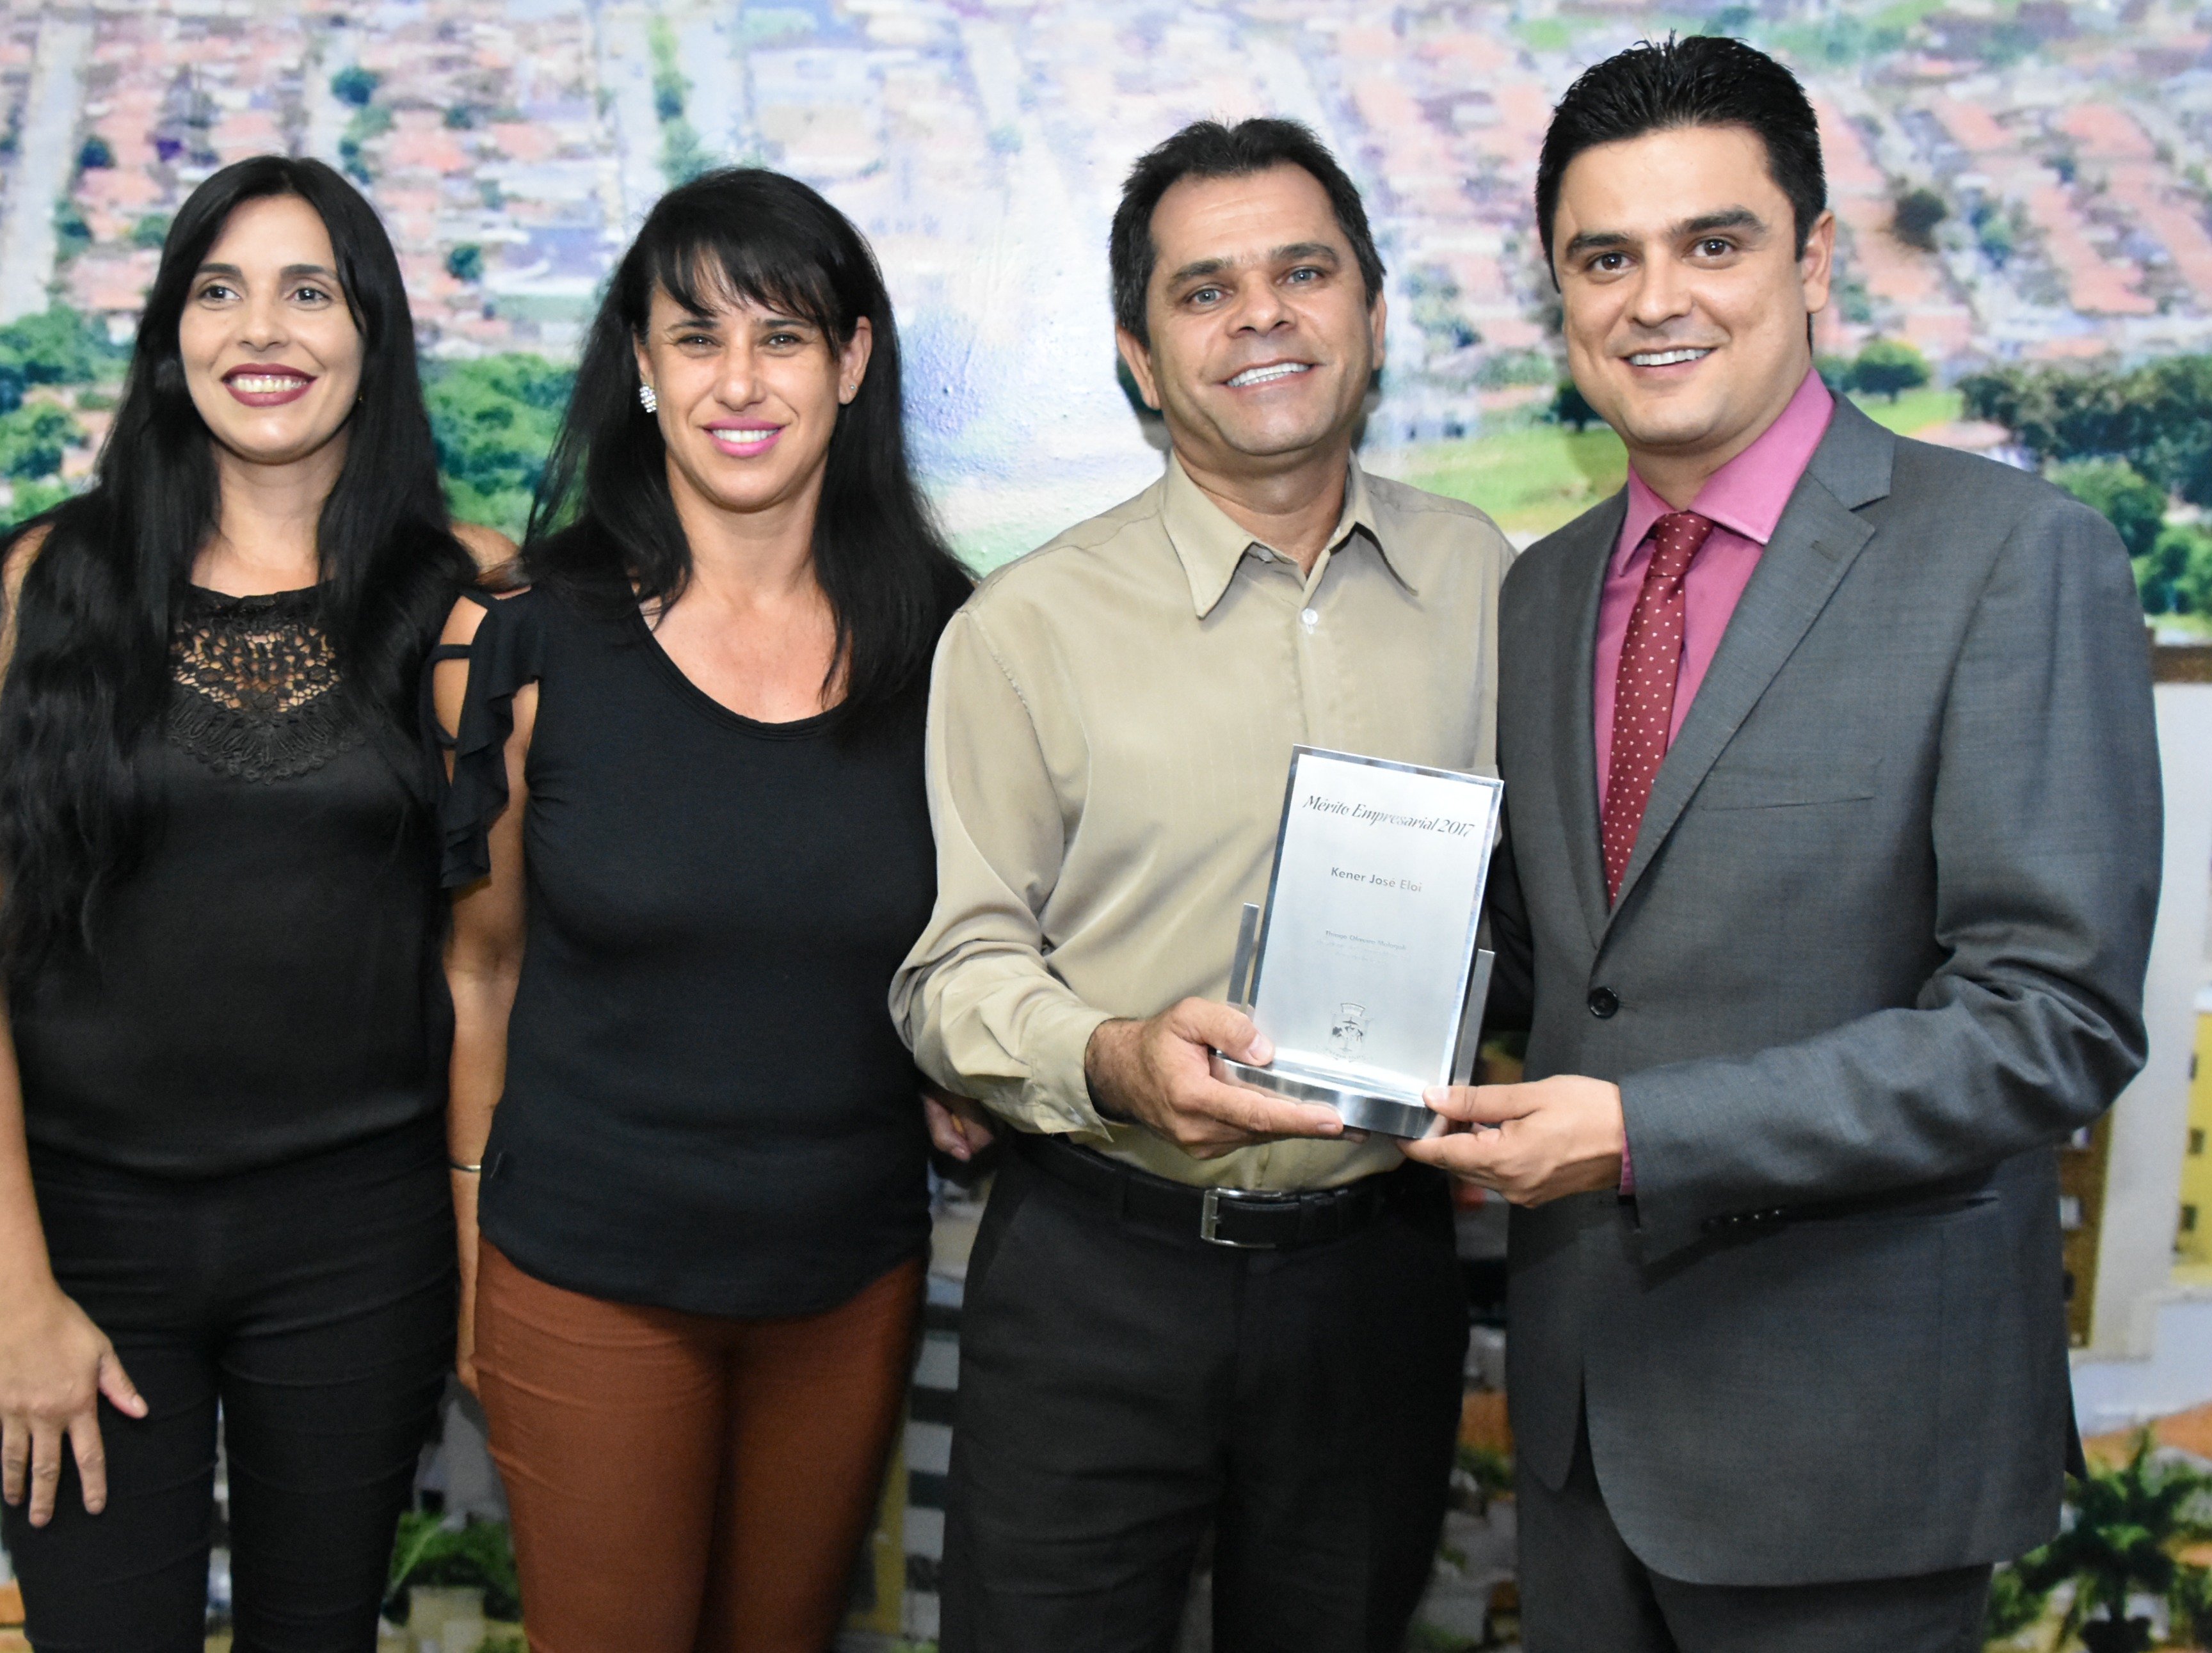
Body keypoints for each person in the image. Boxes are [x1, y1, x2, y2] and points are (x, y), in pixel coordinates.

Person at [1402, 36, 2163, 1652]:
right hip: (1585, 1431)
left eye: (1712, 242)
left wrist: (1639, 1132)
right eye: (1605, 257)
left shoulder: (2011, 558)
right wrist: (1314, 1012)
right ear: (1559, 293)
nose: (1654, 299)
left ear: (1812, 262)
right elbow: (1567, 964)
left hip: (1853, 1441)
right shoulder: (1544, 591)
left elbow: (2050, 1022)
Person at [895, 118, 1511, 1651]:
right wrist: (1111, 1056)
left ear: (1372, 312)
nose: (1260, 316)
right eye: (1204, 289)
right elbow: (952, 974)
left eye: (1303, 272)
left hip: (1375, 1275)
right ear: (1138, 356)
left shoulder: (1495, 586)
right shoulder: (1025, 625)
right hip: (1098, 1271)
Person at [0, 155, 511, 1652]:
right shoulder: (42, 582)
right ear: (171, 336)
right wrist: (13, 1292)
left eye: (309, 291)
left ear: (370, 331)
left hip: (361, 1241)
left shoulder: (469, 594)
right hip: (87, 1239)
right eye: (220, 290)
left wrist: (475, 1257)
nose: (263, 329)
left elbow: (488, 967)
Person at [433, 168, 971, 1653]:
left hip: (847, 1273)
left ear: (850, 362)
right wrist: (472, 1257)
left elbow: (976, 940)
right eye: (696, 337)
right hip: (586, 1271)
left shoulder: (951, 642)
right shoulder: (521, 635)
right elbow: (478, 975)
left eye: (782, 336)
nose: (739, 381)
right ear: (642, 367)